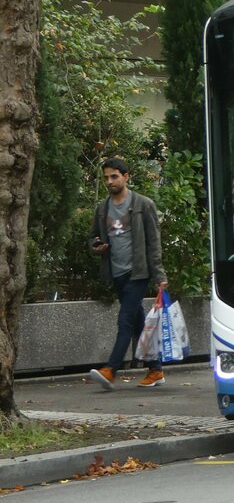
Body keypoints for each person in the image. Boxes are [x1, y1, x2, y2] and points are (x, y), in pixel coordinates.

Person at [87, 157, 169, 390]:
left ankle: (111, 369)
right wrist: (96, 245)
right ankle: (155, 369)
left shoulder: (143, 205)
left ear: (126, 177)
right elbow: (92, 238)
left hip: (138, 272)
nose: (109, 181)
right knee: (137, 323)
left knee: (125, 320)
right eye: (106, 178)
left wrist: (159, 276)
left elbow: (154, 243)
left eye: (114, 176)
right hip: (117, 273)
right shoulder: (103, 209)